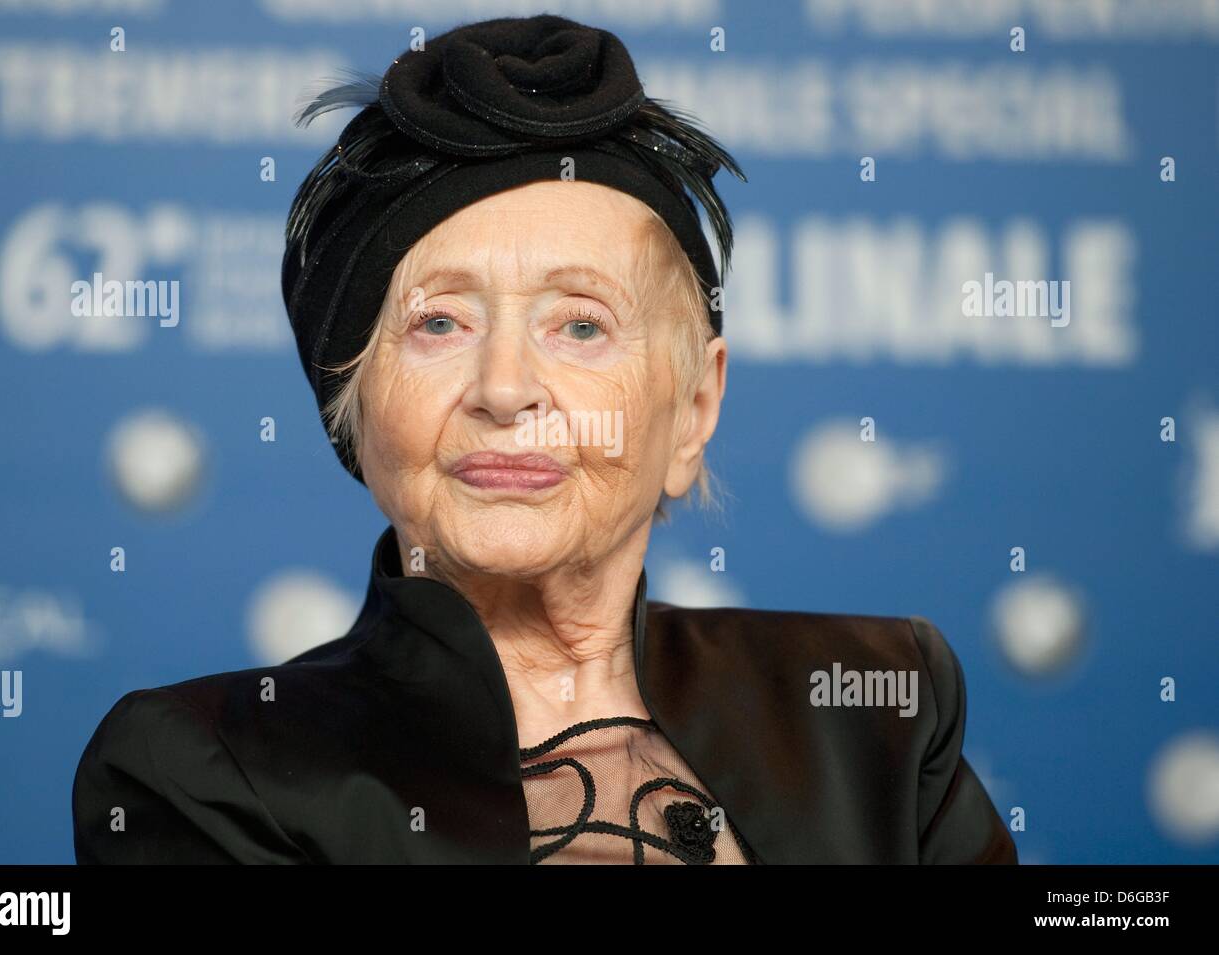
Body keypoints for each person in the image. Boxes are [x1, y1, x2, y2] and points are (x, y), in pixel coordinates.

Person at [71, 13, 1018, 865]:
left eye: (581, 325)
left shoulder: (875, 705)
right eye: (438, 323)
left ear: (692, 409)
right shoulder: (205, 768)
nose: (506, 390)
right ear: (351, 407)